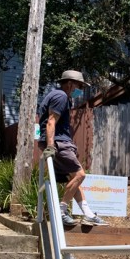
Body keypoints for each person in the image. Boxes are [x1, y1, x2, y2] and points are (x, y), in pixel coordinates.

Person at [38, 70, 106, 227]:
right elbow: (51, 122)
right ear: (69, 83)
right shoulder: (61, 96)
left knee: (74, 179)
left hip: (60, 142)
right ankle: (60, 211)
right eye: (79, 86)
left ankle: (88, 214)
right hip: (59, 143)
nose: (80, 90)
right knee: (80, 175)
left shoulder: (58, 96)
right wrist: (50, 146)